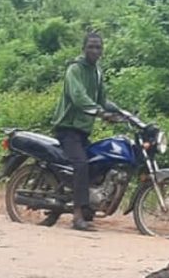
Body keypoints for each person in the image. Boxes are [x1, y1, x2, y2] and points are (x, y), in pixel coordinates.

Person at [51, 32, 119, 232]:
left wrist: (121, 112)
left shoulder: (97, 72)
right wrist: (101, 113)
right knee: (81, 165)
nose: (95, 50)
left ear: (102, 50)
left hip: (82, 131)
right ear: (84, 48)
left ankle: (89, 207)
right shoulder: (75, 69)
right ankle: (78, 216)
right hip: (67, 128)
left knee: (97, 163)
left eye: (98, 47)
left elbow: (102, 100)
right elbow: (78, 96)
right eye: (91, 46)